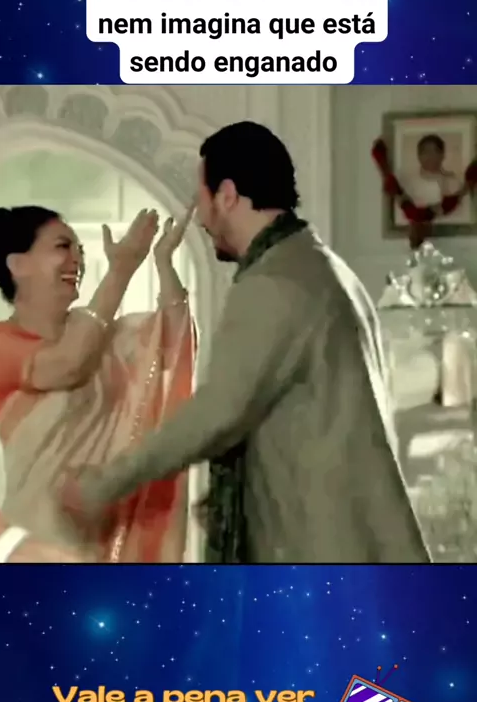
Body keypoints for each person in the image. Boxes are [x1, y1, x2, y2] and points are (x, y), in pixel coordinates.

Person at [64, 121, 430, 564]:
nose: (200, 218)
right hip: (350, 543)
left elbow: (216, 413)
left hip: (323, 549)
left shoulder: (276, 282)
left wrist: (101, 485)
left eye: (201, 198)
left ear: (227, 195)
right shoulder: (321, 267)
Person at [0, 203, 195, 562]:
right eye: (62, 246)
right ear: (17, 264)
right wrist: (121, 270)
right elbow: (67, 365)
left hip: (107, 543)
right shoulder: (2, 343)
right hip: (34, 546)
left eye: (80, 250)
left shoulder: (109, 339)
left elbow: (174, 338)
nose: (77, 259)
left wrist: (164, 262)